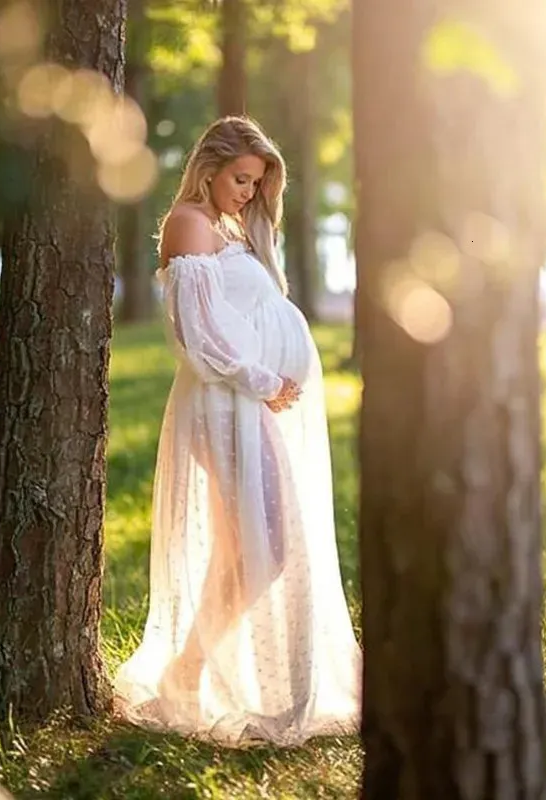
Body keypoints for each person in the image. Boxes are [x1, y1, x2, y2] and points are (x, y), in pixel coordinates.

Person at [114, 116, 361, 747]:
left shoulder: (230, 227)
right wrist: (263, 379)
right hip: (225, 403)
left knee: (247, 545)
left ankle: (188, 671)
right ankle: (186, 669)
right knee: (266, 547)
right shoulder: (188, 224)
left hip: (248, 403)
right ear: (209, 168)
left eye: (257, 182)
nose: (249, 192)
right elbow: (198, 335)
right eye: (241, 178)